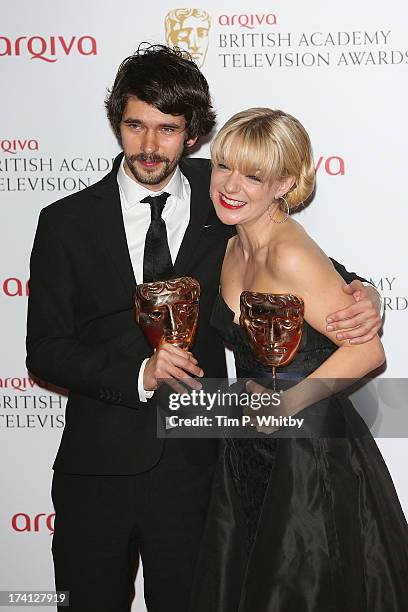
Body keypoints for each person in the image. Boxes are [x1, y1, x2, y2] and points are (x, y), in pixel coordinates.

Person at [26, 45, 382, 612]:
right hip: (99, 467)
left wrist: (366, 293)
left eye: (167, 129)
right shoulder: (65, 222)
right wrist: (138, 372)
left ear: (191, 135)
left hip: (203, 470)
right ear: (116, 122)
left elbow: (299, 261)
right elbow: (44, 350)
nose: (149, 146)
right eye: (135, 125)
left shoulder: (225, 195)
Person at [189, 108, 408, 612]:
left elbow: (368, 350)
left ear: (285, 183)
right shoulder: (229, 247)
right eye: (224, 166)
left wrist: (287, 403)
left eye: (254, 176)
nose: (231, 185)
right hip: (249, 446)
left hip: (308, 452)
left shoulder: (291, 253)